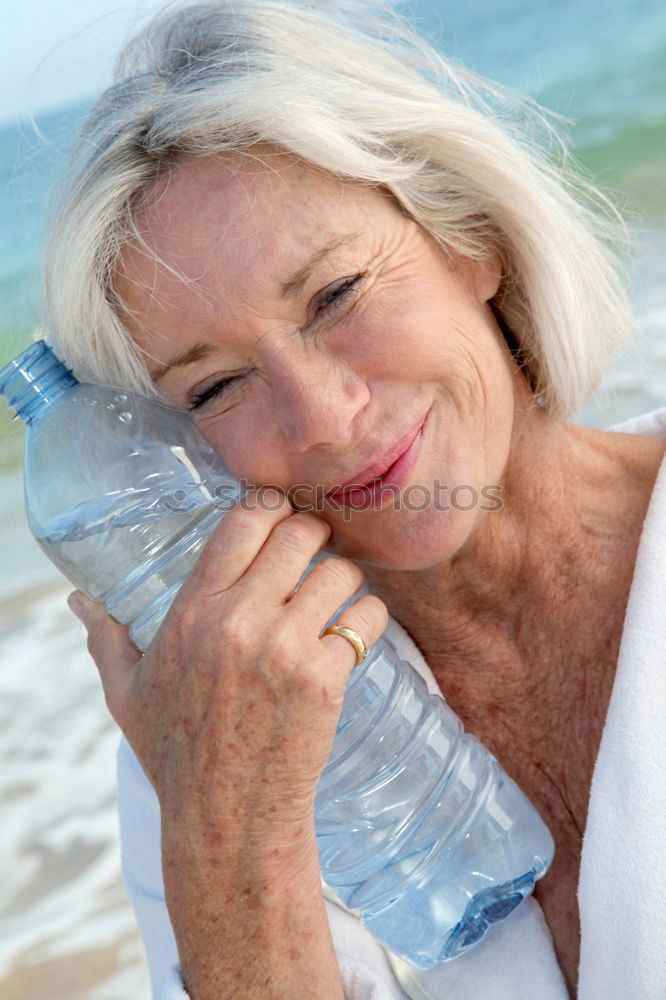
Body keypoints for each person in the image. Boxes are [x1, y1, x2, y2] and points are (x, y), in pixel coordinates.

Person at [48, 1, 666, 997]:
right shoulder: (216, 746)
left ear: (466, 238)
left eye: (336, 295)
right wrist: (237, 855)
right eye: (214, 386)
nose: (321, 417)